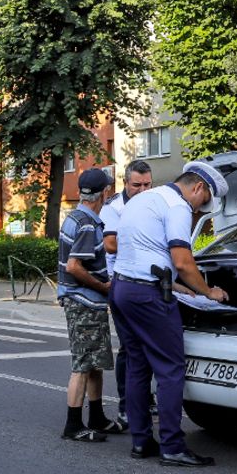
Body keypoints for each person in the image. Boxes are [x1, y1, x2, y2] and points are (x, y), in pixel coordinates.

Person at [111, 161, 229, 466]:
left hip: (123, 289)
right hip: (148, 297)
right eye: (203, 204)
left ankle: (141, 442)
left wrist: (177, 286)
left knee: (138, 366)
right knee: (170, 368)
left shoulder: (145, 199)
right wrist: (208, 292)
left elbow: (142, 250)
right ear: (198, 188)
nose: (200, 211)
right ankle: (173, 447)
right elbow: (183, 260)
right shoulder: (177, 206)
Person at [57, 168, 123, 442]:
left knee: (94, 363)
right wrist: (103, 286)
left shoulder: (76, 217)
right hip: (83, 301)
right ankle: (73, 426)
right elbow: (74, 266)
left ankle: (96, 417)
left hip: (86, 302)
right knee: (83, 364)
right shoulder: (86, 223)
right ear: (104, 193)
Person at [99, 160, 153, 429]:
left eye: (147, 184)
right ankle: (126, 406)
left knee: (149, 346)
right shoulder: (114, 207)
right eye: (137, 185)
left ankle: (144, 398)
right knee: (130, 349)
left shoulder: (152, 203)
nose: (143, 190)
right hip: (121, 283)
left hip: (149, 283)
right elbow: (110, 245)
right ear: (125, 183)